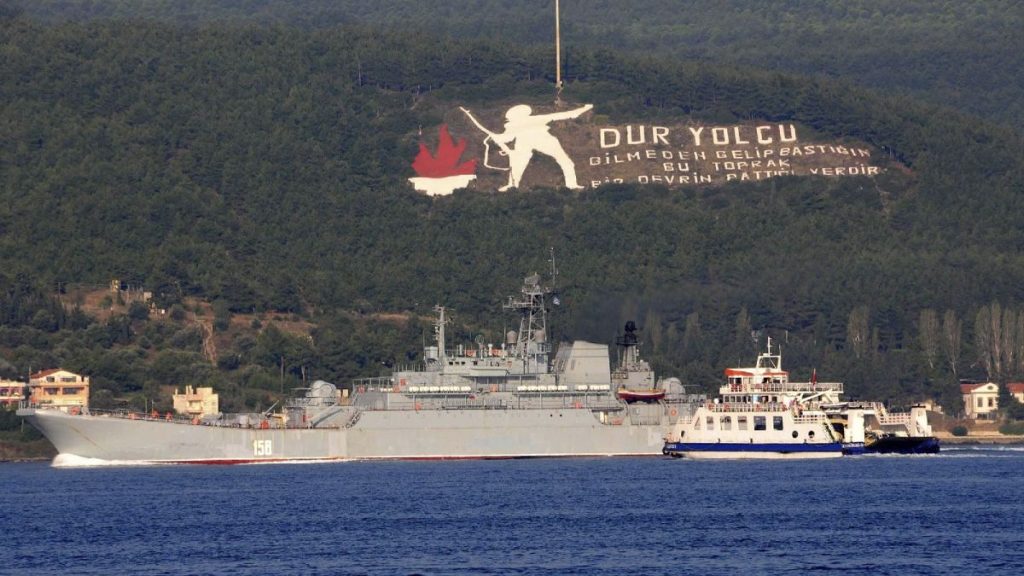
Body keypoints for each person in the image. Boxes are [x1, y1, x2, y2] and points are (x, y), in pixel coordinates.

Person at [461, 103, 593, 190]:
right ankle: (512, 186)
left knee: (566, 162)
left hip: (544, 140)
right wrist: (496, 138)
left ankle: (571, 185)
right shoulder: (513, 126)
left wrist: (584, 108)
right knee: (518, 165)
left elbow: (563, 115)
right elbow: (506, 138)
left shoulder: (531, 121)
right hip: (525, 143)